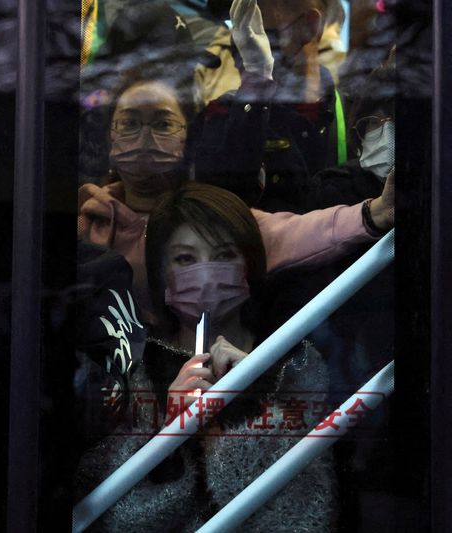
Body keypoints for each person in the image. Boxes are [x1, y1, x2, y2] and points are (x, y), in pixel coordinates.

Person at [75, 182, 338, 531]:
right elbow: (120, 519)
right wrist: (171, 434)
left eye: (225, 255)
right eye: (185, 258)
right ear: (160, 273)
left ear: (250, 263)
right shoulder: (131, 364)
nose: (206, 272)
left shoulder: (295, 362)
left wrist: (248, 405)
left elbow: (305, 517)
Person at [78, 74, 394, 322]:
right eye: (130, 123)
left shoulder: (208, 212)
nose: (145, 138)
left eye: (162, 123)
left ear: (187, 137)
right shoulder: (85, 226)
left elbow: (292, 231)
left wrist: (372, 214)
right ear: (109, 138)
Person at [189, 0, 350, 213]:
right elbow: (221, 206)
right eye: (236, 32)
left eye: (256, 32)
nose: (244, 47)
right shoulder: (220, 116)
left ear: (309, 27)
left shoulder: (358, 116)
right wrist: (255, 84)